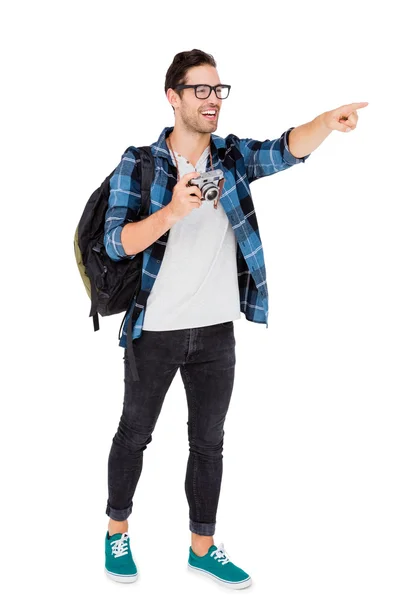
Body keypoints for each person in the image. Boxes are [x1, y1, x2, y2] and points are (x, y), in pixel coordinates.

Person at [102, 48, 368, 588]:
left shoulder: (230, 158)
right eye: (200, 90)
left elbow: (283, 151)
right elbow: (115, 243)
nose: (212, 101)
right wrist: (172, 211)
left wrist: (325, 123)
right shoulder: (142, 162)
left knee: (209, 442)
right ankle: (116, 530)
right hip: (154, 331)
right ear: (173, 97)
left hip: (216, 330)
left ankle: (202, 547)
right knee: (135, 434)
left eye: (218, 91)